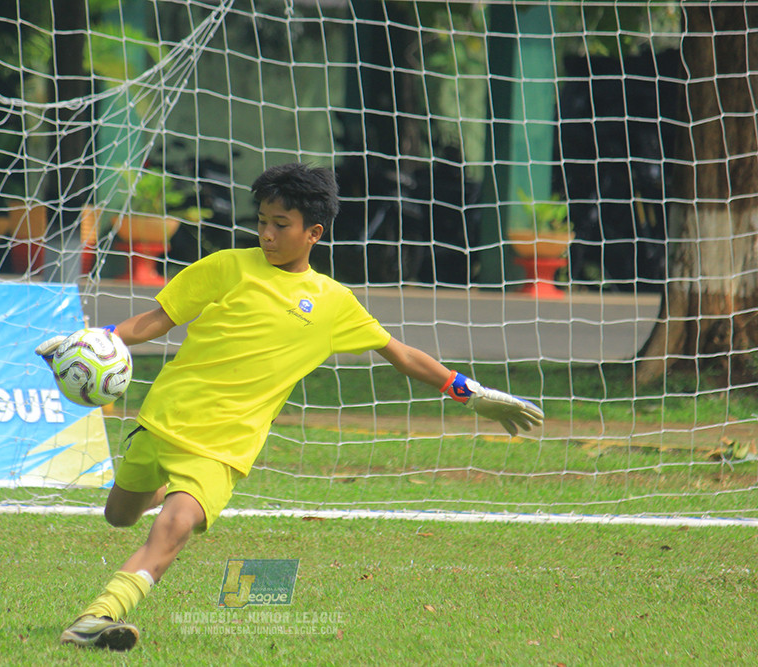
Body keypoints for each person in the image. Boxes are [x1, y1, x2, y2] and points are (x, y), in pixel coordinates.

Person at [37, 163, 543, 651]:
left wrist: (471, 393)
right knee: (119, 516)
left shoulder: (332, 303)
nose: (267, 234)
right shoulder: (228, 267)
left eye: (281, 224)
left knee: (174, 528)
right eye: (262, 221)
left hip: (222, 447)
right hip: (164, 420)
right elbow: (156, 319)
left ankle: (99, 616)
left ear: (314, 233)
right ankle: (169, 492)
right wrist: (90, 340)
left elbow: (402, 355)